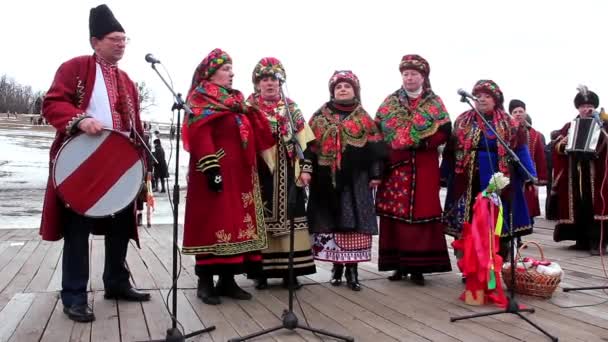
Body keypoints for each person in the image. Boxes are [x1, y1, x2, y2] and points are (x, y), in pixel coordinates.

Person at [40, 4, 150, 323]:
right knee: (78, 231)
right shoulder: (74, 68)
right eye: (114, 38)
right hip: (82, 166)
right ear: (95, 41)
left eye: (124, 38)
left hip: (119, 165)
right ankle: (73, 295)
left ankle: (115, 283)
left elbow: (136, 125)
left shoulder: (127, 80)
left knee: (119, 227)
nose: (121, 44)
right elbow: (52, 103)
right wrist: (80, 119)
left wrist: (143, 162)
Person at [182, 48, 275, 305]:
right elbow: (200, 133)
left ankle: (227, 280)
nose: (232, 73)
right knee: (212, 224)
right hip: (214, 172)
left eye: (231, 69)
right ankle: (205, 281)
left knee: (236, 225)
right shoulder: (200, 99)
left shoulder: (236, 101)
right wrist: (212, 168)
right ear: (210, 73)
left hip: (241, 176)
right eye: (225, 69)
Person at [375, 54, 452, 286]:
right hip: (396, 167)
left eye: (414, 74)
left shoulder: (434, 103)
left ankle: (419, 268)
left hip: (423, 166)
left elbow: (445, 130)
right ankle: (398, 265)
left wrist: (423, 142)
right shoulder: (390, 102)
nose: (409, 78)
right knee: (395, 216)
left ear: (423, 77)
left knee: (422, 213)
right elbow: (378, 130)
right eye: (405, 74)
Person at [307, 70, 386, 291]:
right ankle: (336, 268)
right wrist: (308, 171)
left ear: (355, 91)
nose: (343, 89)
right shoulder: (319, 116)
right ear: (332, 91)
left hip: (356, 181)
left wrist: (376, 174)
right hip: (326, 179)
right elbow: (309, 147)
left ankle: (352, 271)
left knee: (355, 224)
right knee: (332, 222)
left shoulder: (363, 117)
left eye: (347, 86)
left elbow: (375, 149)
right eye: (338, 86)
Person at [443, 80, 536, 259]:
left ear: (496, 100)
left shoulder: (509, 123)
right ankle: (468, 265)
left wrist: (530, 174)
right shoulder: (463, 120)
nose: (482, 99)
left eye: (487, 96)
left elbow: (520, 149)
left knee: (497, 221)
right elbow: (450, 150)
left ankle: (497, 262)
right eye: (478, 96)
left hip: (500, 181)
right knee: (468, 221)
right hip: (466, 180)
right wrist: (443, 174)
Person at [246, 57, 316, 289]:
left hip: (288, 173)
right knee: (260, 219)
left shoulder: (291, 107)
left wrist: (305, 169)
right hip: (259, 172)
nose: (270, 83)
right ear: (257, 83)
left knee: (291, 219)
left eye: (274, 79)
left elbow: (305, 145)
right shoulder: (249, 108)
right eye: (265, 79)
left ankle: (290, 272)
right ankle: (261, 272)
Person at [551, 87, 608, 255]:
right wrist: (564, 143)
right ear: (578, 108)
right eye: (583, 106)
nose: (586, 109)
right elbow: (556, 147)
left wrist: (602, 126)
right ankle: (581, 239)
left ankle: (599, 242)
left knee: (597, 204)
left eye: (590, 105)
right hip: (575, 171)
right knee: (578, 204)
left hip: (596, 170)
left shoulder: (603, 125)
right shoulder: (570, 126)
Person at [509, 100, 547, 247]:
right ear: (511, 114)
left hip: (529, 176)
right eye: (515, 112)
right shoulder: (506, 130)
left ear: (525, 113)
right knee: (513, 205)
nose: (518, 114)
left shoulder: (535, 134)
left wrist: (539, 179)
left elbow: (540, 157)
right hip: (512, 175)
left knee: (527, 207)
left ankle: (520, 236)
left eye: (520, 111)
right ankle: (513, 237)